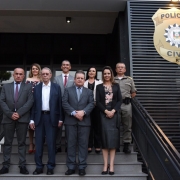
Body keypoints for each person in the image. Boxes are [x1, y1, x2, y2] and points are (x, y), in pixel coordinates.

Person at [29, 67, 63, 175]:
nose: (45, 75)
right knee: (38, 144)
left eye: (47, 74)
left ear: (50, 75)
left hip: (52, 118)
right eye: (43, 74)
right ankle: (39, 166)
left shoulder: (56, 87)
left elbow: (60, 104)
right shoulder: (37, 88)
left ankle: (50, 166)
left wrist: (61, 118)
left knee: (51, 144)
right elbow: (33, 105)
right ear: (41, 75)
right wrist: (31, 120)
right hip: (39, 118)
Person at [0, 68, 34, 175]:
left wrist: (19, 113)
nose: (18, 76)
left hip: (22, 118)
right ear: (13, 75)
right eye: (16, 74)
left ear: (24, 76)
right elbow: (2, 101)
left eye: (21, 74)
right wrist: (10, 114)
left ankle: (22, 165)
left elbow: (30, 101)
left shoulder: (28, 87)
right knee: (7, 143)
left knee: (22, 143)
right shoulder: (6, 86)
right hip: (8, 118)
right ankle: (5, 165)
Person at [62, 70, 94, 176]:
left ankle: (82, 167)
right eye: (78, 78)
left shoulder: (89, 91)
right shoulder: (67, 90)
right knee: (70, 144)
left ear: (84, 80)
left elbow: (91, 103)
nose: (80, 79)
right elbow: (64, 102)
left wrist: (83, 112)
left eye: (81, 78)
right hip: (70, 121)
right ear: (74, 79)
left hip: (84, 122)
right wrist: (74, 113)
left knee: (83, 145)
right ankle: (71, 167)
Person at [96, 66, 122, 175]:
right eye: (105, 73)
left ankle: (111, 165)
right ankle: (105, 164)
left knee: (113, 141)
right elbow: (98, 102)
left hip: (114, 116)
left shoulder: (116, 86)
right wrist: (106, 111)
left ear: (111, 74)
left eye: (108, 73)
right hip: (103, 115)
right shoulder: (99, 87)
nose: (107, 75)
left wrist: (113, 111)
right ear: (103, 75)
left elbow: (120, 100)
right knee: (105, 141)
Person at [115, 63, 137, 154]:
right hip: (115, 105)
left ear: (125, 69)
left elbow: (134, 92)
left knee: (127, 125)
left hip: (126, 104)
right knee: (115, 125)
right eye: (118, 67)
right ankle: (115, 145)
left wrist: (129, 98)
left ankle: (126, 145)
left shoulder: (129, 80)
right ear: (116, 69)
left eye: (122, 67)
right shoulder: (112, 79)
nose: (120, 69)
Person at [54, 60, 74, 153]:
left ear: (70, 67)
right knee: (58, 127)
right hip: (58, 106)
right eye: (64, 65)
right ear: (61, 67)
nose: (65, 66)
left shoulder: (73, 79)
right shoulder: (55, 78)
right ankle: (57, 145)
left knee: (69, 127)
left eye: (67, 65)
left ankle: (67, 145)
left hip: (69, 106)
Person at [84, 66, 102, 153]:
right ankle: (89, 145)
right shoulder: (84, 82)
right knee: (89, 126)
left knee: (97, 126)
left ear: (96, 73)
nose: (91, 72)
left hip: (97, 107)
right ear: (87, 73)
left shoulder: (100, 82)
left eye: (93, 71)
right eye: (90, 71)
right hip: (86, 107)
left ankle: (97, 145)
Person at [26, 63, 41, 154]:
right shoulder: (28, 80)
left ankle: (38, 143)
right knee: (30, 126)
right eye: (33, 69)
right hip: (30, 103)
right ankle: (31, 143)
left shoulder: (42, 79)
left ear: (39, 70)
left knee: (38, 124)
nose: (34, 70)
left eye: (36, 69)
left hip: (39, 104)